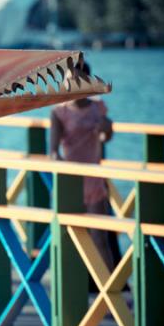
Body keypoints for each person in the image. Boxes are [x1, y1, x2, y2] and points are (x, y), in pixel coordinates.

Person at [49, 61, 120, 274]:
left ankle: (110, 291)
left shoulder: (97, 107)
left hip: (93, 178)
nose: (71, 83)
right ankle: (75, 291)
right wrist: (61, 170)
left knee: (99, 237)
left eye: (76, 79)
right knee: (70, 237)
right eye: (68, 80)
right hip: (71, 180)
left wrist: (106, 129)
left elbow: (105, 137)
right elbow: (53, 151)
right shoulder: (59, 112)